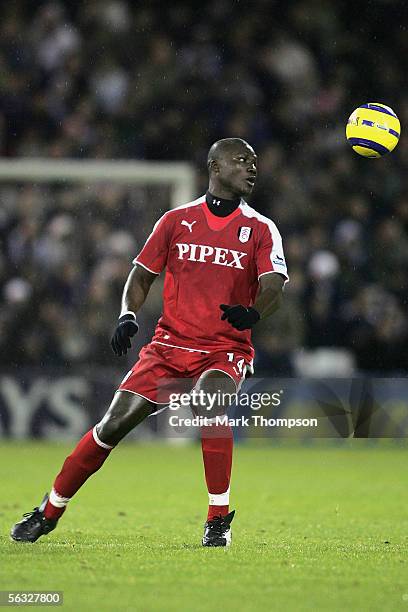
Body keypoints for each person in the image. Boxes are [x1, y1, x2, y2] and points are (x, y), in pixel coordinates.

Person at [11, 138, 288, 547]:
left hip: (223, 348)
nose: (252, 167)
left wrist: (254, 312)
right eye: (242, 160)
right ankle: (49, 511)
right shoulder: (176, 220)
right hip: (168, 347)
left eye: (255, 161)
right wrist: (127, 314)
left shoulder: (261, 228)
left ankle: (217, 520)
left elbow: (273, 284)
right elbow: (141, 275)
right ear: (215, 166)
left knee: (209, 406)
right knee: (110, 428)